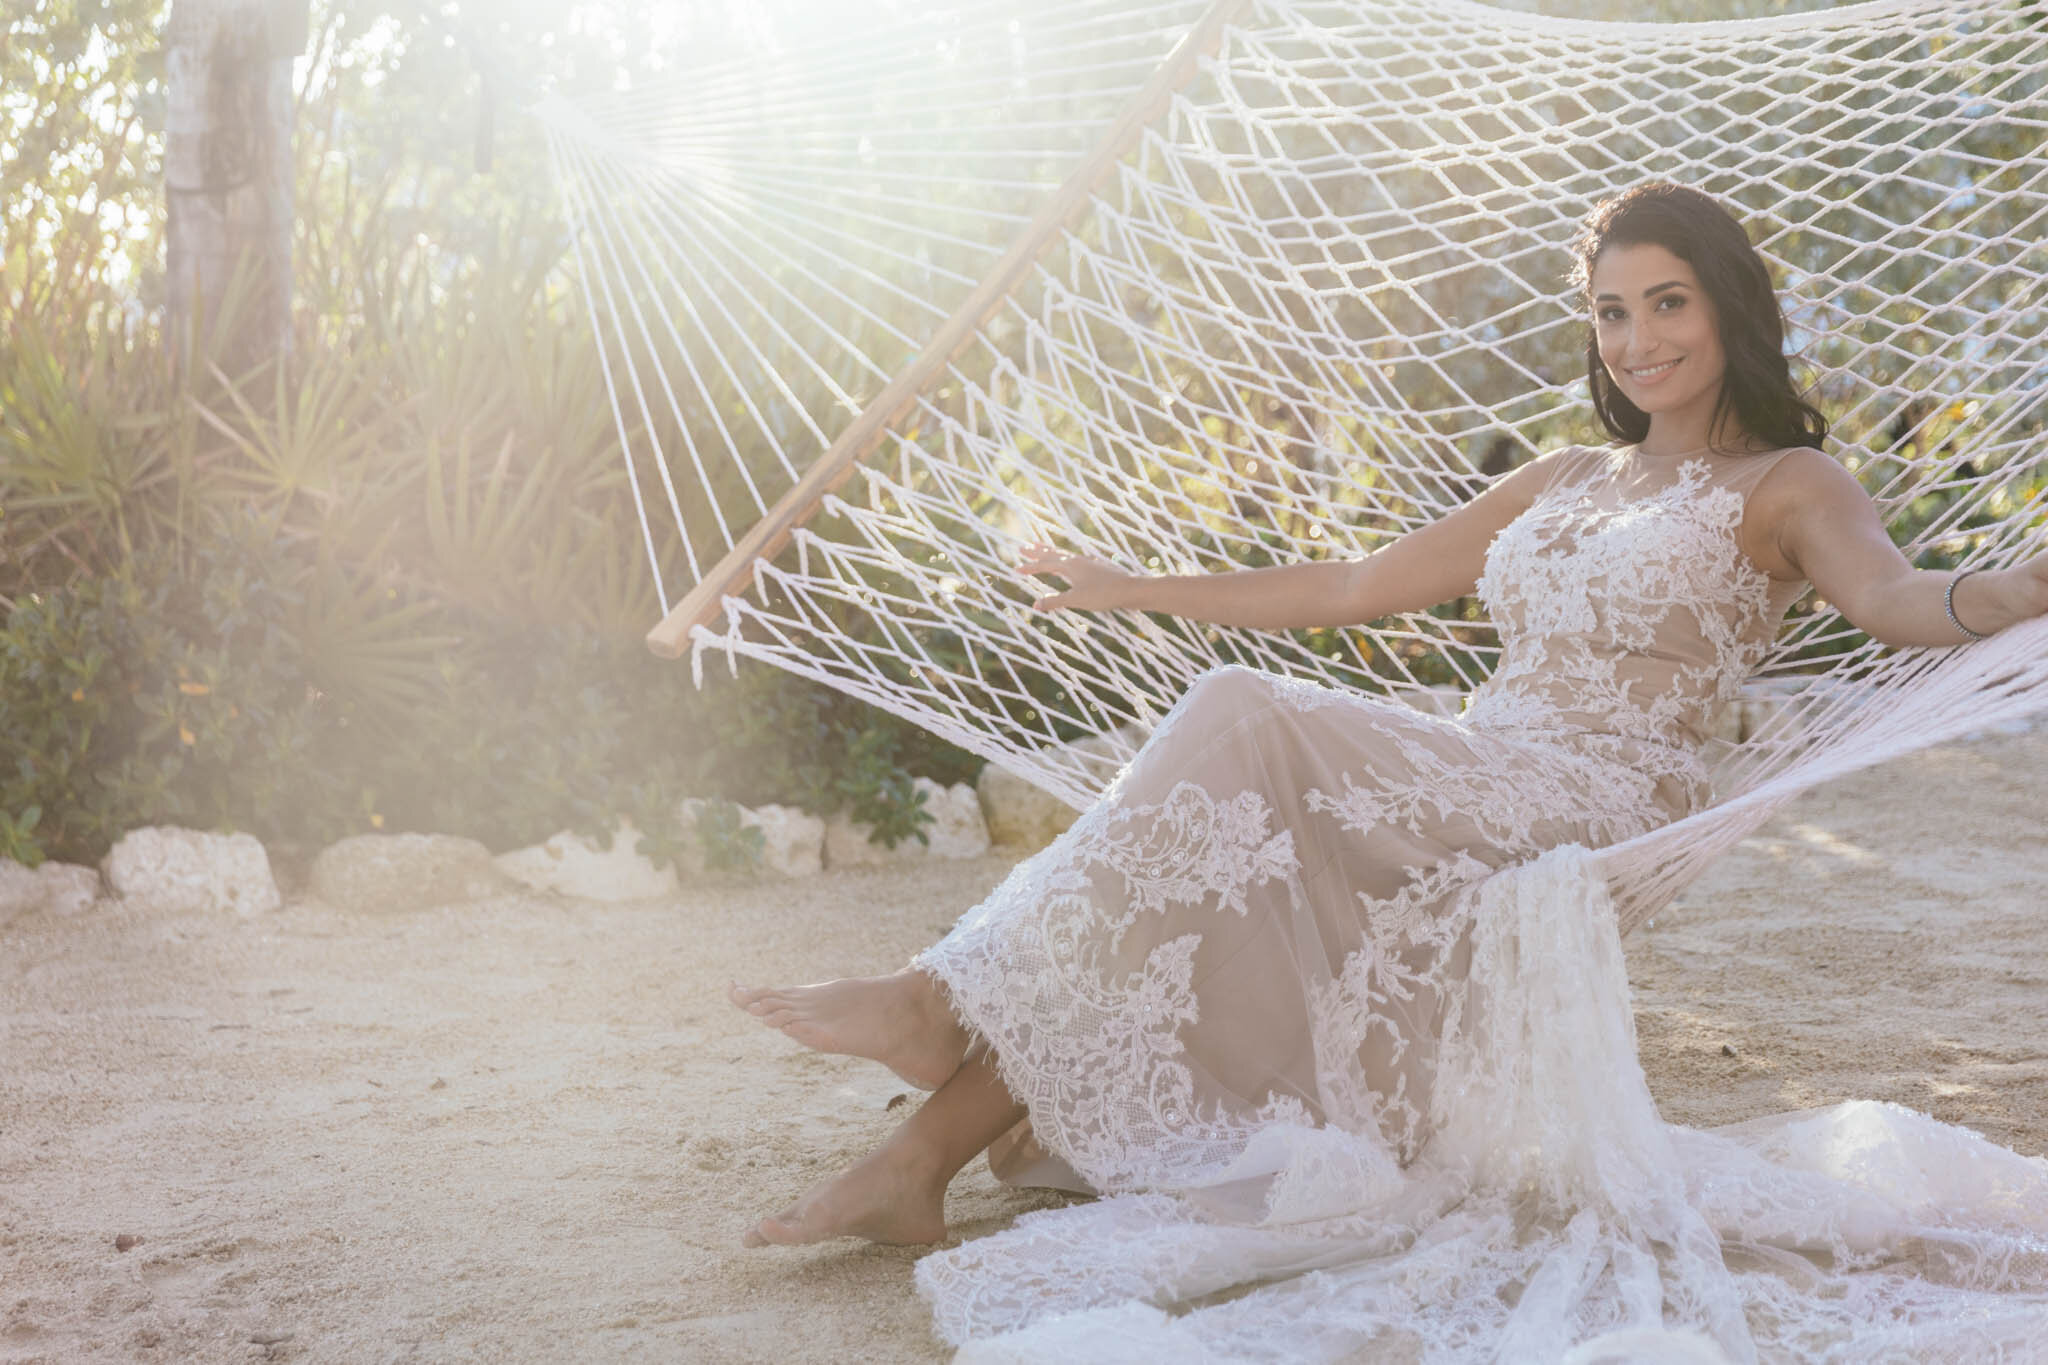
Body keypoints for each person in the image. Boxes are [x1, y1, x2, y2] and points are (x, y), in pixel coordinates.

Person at [729, 182, 2048, 1357]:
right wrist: (1138, 584)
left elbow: (1899, 597)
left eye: (1668, 303)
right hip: (1481, 762)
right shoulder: (1566, 474)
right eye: (1610, 313)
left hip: (1602, 796)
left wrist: (2014, 586)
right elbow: (1359, 582)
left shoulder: (1788, 482)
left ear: (1729, 310)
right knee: (1211, 873)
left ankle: (939, 1000)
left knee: (1246, 723)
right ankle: (918, 1156)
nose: (1639, 339)